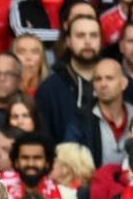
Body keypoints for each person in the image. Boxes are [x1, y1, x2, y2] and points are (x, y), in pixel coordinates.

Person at [36, 14, 101, 143]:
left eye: (93, 35)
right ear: (68, 41)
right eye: (80, 35)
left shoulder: (117, 82)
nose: (88, 41)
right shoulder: (50, 89)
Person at [66, 58, 133, 167]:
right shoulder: (80, 120)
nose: (103, 84)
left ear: (124, 83)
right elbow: (70, 162)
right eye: (98, 79)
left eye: (109, 78)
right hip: (93, 182)